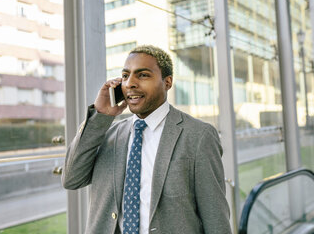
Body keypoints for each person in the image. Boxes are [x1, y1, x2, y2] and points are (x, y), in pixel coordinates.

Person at [62, 45, 232, 234]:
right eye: (125, 76)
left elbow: (215, 216)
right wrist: (100, 115)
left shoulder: (198, 135)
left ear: (167, 82)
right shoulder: (107, 133)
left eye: (142, 75)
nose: (130, 83)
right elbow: (71, 179)